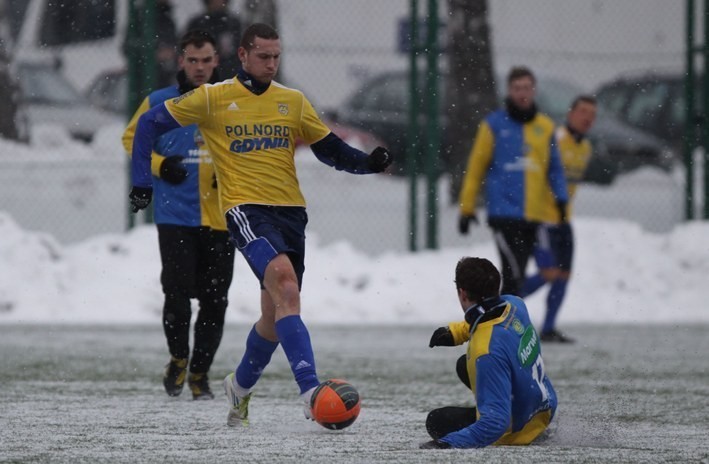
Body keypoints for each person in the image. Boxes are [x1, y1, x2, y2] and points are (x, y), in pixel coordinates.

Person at [127, 23, 392, 426]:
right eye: (264, 56)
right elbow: (147, 125)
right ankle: (309, 391)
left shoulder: (293, 101)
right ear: (244, 56)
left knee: (275, 314)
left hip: (290, 213)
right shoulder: (213, 98)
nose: (271, 64)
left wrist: (366, 163)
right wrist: (144, 181)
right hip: (245, 210)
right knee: (285, 283)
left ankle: (240, 387)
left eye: (276, 56)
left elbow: (329, 150)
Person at [122, 30, 234, 401]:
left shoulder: (231, 99)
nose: (200, 68)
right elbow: (130, 138)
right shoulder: (159, 101)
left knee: (215, 302)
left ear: (217, 61)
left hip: (222, 217)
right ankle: (178, 359)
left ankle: (200, 374)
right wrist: (158, 164)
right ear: (180, 61)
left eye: (206, 60)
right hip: (175, 217)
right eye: (192, 60)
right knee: (176, 295)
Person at [421, 257, 557, 449]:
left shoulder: (486, 351)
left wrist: (446, 444)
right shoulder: (515, 304)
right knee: (464, 364)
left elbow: (495, 424)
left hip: (518, 429)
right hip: (545, 406)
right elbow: (488, 318)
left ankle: (524, 430)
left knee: (437, 421)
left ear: (462, 294)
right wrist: (456, 332)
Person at [458, 66, 569, 297]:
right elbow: (476, 167)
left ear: (534, 90)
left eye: (526, 88)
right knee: (513, 272)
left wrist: (561, 199)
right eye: (517, 88)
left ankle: (500, 319)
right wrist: (467, 208)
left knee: (520, 275)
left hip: (533, 215)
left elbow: (555, 168)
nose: (522, 93)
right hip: (504, 214)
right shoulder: (494, 125)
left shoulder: (545, 127)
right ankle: (503, 324)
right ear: (509, 91)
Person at [521, 95, 598, 343]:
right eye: (583, 111)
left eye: (592, 114)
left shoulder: (585, 148)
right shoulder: (556, 139)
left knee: (563, 275)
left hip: (564, 221)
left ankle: (549, 328)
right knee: (549, 272)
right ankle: (499, 302)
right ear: (570, 113)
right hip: (541, 219)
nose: (587, 118)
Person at [184, 0, 241, 79]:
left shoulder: (233, 23)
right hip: (204, 75)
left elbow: (238, 50)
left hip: (229, 74)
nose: (217, 2)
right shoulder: (197, 23)